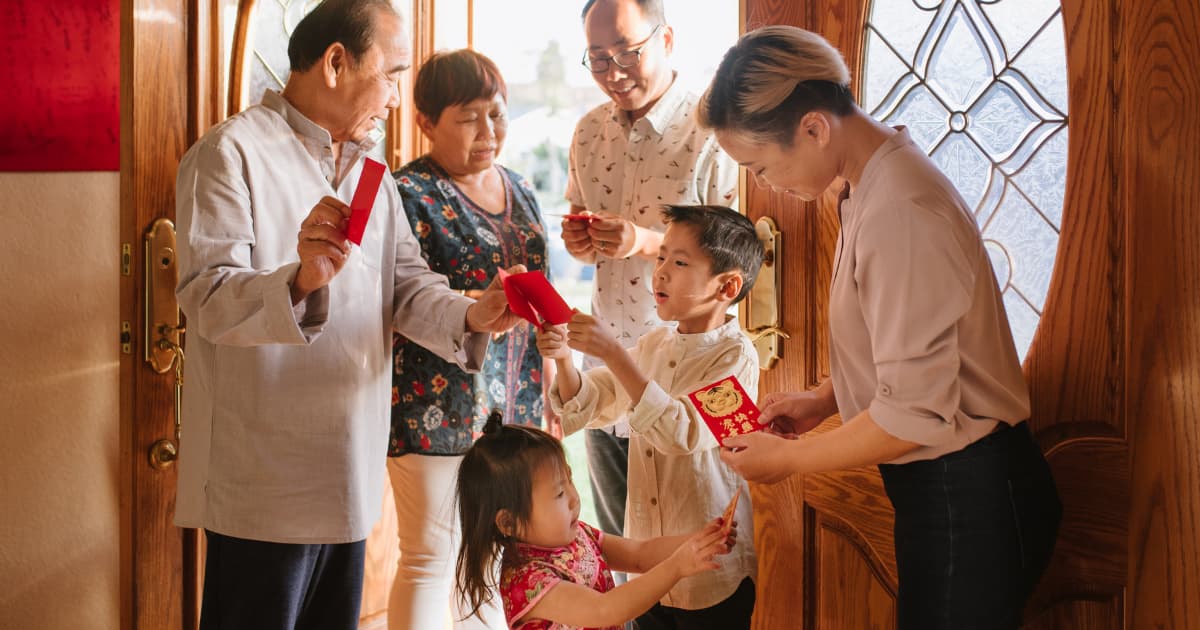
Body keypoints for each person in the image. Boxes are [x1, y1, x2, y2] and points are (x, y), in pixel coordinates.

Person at [699, 26, 1062, 629]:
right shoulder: (867, 184)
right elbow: (910, 349)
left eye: (760, 166)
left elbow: (914, 414)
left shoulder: (900, 210)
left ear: (814, 128)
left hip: (969, 493)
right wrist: (825, 398)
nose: (764, 185)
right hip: (947, 486)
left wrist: (788, 461)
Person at [172, 2, 523, 628]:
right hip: (265, 475)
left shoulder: (369, 170)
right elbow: (208, 299)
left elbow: (408, 288)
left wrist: (474, 316)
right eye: (391, 74)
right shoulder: (230, 154)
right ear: (336, 63)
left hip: (350, 466)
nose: (395, 96)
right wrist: (302, 278)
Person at [562, 0, 739, 568]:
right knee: (623, 554)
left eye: (627, 53)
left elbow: (736, 252)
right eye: (597, 59)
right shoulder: (588, 132)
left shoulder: (711, 131)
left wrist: (643, 242)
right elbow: (579, 218)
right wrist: (580, 241)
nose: (613, 71)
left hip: (682, 370)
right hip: (607, 370)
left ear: (666, 40)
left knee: (701, 551)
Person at [386, 48, 551, 630]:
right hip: (436, 407)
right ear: (426, 122)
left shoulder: (521, 188)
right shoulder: (406, 194)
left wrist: (550, 396)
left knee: (498, 555)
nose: (488, 132)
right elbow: (398, 301)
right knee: (430, 558)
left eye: (497, 114)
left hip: (516, 405)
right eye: (469, 117)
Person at [541, 205, 763, 629]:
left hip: (712, 570)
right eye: (660, 256)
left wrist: (612, 352)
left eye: (679, 263)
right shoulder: (654, 344)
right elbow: (593, 400)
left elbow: (684, 434)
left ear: (727, 286)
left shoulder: (738, 357)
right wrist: (566, 360)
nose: (659, 272)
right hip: (651, 570)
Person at [455, 412, 737, 629]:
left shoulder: (577, 535)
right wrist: (677, 566)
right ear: (509, 523)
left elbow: (639, 555)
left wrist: (698, 540)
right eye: (558, 493)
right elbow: (605, 610)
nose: (574, 498)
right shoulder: (527, 581)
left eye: (570, 480)